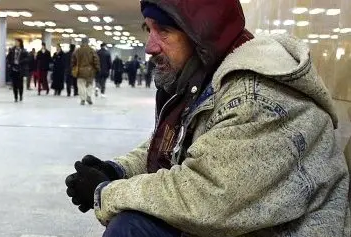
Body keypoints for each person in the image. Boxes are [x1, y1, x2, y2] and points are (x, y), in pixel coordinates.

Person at [65, 0, 350, 236]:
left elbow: (206, 194)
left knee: (132, 228)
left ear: (202, 35)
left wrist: (107, 192)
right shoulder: (205, 78)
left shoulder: (257, 99)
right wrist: (118, 170)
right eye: (148, 29)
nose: (150, 46)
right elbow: (174, 145)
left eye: (163, 31)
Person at [71, 38, 100, 106]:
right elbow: (96, 60)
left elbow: (73, 61)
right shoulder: (92, 50)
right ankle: (89, 96)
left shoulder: (77, 51)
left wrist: (73, 68)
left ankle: (83, 99)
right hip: (90, 71)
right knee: (90, 84)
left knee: (81, 85)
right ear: (88, 42)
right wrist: (97, 68)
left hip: (80, 71)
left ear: (82, 42)